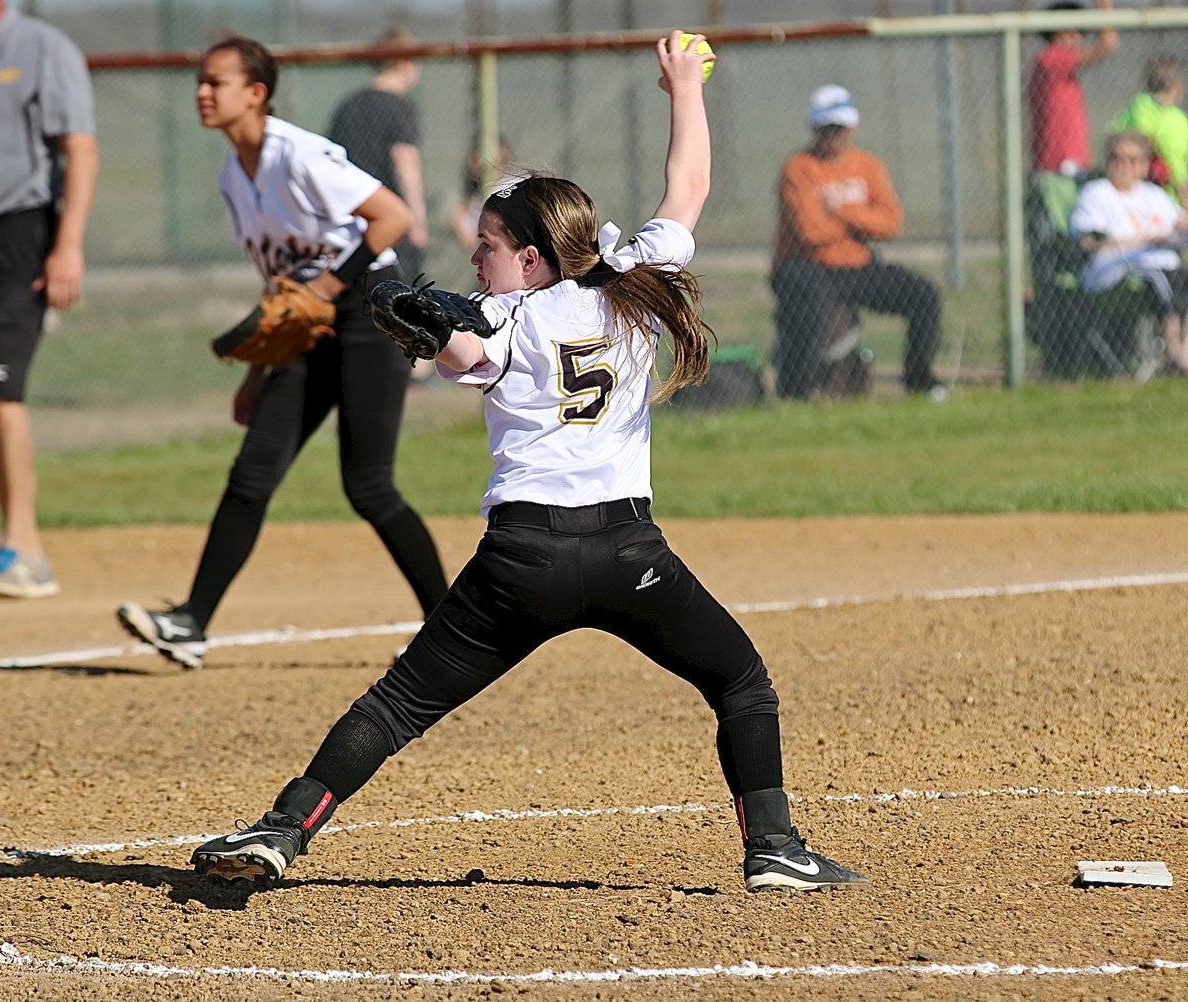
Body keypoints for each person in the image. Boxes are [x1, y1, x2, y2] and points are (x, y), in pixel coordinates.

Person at [189, 32, 867, 895]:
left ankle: (285, 829)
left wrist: (430, 327)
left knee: (397, 705)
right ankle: (774, 847)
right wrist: (684, 87)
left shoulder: (504, 320)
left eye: (489, 246)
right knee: (739, 679)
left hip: (522, 565)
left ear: (533, 259)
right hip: (630, 556)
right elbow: (689, 185)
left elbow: (459, 353)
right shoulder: (634, 281)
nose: (475, 259)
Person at [115, 36, 447, 669]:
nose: (202, 93)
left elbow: (392, 217)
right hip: (307, 323)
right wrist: (259, 372)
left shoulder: (297, 155)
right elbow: (279, 283)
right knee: (252, 473)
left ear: (256, 93)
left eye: (217, 82)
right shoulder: (231, 176)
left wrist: (323, 286)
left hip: (368, 306)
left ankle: (452, 623)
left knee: (368, 484)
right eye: (201, 81)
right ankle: (190, 623)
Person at [0, 0, 97, 599]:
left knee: (0, 391)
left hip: (16, 235)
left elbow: (79, 148)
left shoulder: (40, 47)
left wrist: (68, 246)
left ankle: (24, 549)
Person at [769, 84, 945, 401]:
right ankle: (800, 392)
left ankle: (920, 380)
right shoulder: (799, 168)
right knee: (814, 303)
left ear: (853, 127)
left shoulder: (868, 166)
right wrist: (864, 222)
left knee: (924, 295)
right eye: (826, 128)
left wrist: (842, 212)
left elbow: (892, 223)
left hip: (857, 265)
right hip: (805, 266)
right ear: (813, 128)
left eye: (839, 128)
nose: (833, 136)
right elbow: (810, 231)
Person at [1069, 130, 1188, 371]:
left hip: (1165, 263)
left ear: (1144, 166)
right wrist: (1145, 240)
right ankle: (1174, 351)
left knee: (1174, 274)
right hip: (1114, 270)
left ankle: (1184, 350)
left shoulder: (1155, 195)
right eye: (1116, 158)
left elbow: (1178, 228)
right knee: (1160, 276)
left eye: (1132, 160)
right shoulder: (1096, 193)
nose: (1123, 166)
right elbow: (1089, 242)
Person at [327, 27, 427, 281]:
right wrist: (416, 219)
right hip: (392, 216)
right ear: (405, 64)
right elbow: (405, 162)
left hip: (352, 215)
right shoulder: (400, 106)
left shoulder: (349, 104)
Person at [1026, 0, 1119, 177]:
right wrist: (1104, 6)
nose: (1078, 39)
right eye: (1074, 32)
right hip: (1061, 162)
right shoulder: (1051, 58)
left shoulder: (1056, 63)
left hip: (1068, 161)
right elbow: (1108, 45)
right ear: (1060, 32)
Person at [1109, 55, 1188, 206]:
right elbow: (1177, 168)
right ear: (1177, 86)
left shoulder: (1139, 106)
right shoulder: (1173, 119)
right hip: (1163, 196)